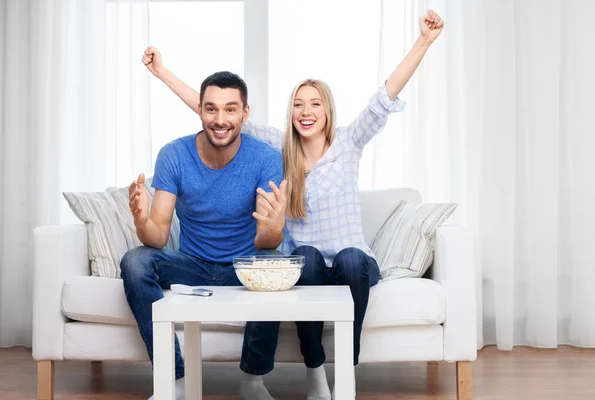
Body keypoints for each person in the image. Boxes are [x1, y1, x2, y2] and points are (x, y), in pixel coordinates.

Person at [142, 9, 444, 400]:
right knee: (305, 256)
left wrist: (423, 41)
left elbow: (384, 97)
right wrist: (162, 72)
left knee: (351, 258)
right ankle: (315, 372)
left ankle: (344, 374)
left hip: (354, 262)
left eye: (315, 104)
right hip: (309, 261)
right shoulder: (278, 149)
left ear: (327, 111)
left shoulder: (348, 144)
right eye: (299, 105)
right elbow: (219, 117)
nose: (306, 112)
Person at [120, 71, 289, 400]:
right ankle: (175, 379)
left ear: (245, 113)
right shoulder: (174, 155)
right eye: (211, 109)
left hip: (244, 266)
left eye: (230, 109)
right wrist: (141, 220)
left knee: (273, 262)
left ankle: (253, 381)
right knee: (135, 262)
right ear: (199, 110)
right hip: (192, 264)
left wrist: (276, 226)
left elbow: (265, 243)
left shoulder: (266, 158)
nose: (220, 119)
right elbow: (157, 237)